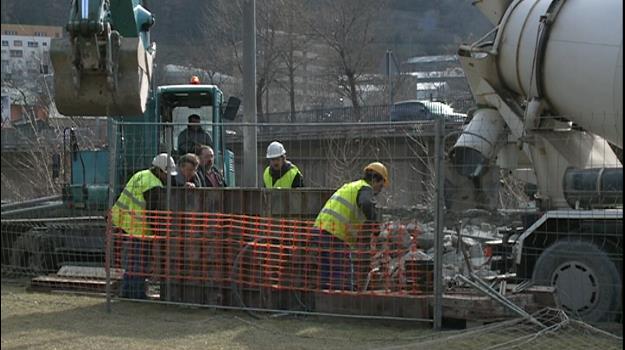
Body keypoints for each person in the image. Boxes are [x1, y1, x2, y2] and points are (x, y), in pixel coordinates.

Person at [313, 162, 389, 290]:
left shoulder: (351, 186)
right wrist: (375, 224)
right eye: (381, 186)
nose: (380, 190)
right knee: (343, 275)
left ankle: (323, 306)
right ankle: (342, 305)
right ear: (375, 179)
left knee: (324, 275)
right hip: (335, 234)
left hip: (319, 231)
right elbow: (366, 203)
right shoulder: (365, 188)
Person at [111, 153, 177, 299]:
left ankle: (128, 293)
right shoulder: (153, 185)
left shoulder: (142, 175)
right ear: (159, 170)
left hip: (125, 222)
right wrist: (158, 235)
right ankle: (136, 294)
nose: (168, 177)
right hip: (138, 227)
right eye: (167, 174)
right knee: (139, 262)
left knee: (133, 262)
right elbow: (153, 212)